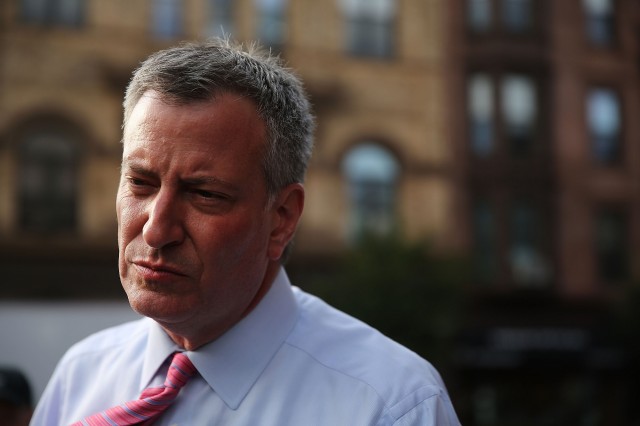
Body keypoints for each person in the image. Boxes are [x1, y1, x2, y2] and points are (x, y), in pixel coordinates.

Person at [31, 38, 460, 425]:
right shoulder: (79, 377)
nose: (157, 228)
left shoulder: (392, 405)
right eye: (140, 182)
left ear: (282, 218)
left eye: (205, 194)